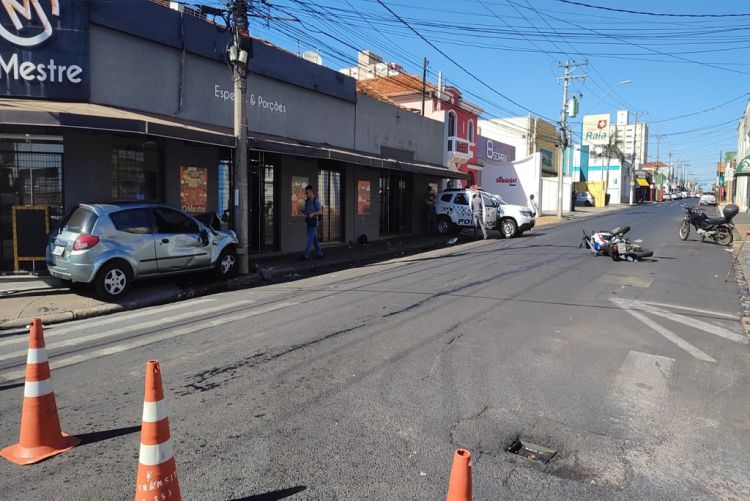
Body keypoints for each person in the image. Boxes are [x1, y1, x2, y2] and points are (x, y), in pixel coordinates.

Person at [300, 185, 323, 260]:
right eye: (306, 193)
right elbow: (307, 211)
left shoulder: (316, 200)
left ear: (311, 192)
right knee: (314, 239)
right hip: (309, 221)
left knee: (310, 238)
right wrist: (303, 212)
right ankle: (320, 253)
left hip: (314, 222)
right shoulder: (307, 201)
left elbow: (320, 212)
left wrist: (313, 214)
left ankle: (306, 255)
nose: (307, 194)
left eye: (308, 193)